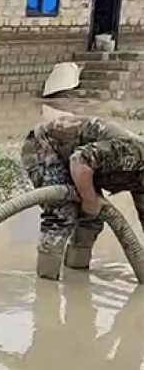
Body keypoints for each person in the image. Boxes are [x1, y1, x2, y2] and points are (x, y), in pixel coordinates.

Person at [21, 114, 144, 280]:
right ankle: (46, 286)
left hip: (84, 163)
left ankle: (76, 276)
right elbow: (80, 160)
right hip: (47, 145)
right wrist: (89, 199)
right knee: (61, 214)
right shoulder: (133, 153)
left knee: (92, 219)